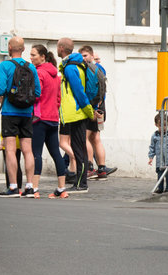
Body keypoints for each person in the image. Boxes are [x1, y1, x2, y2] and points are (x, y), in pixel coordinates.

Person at [0, 36, 41, 197]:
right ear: (23, 49)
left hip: (9, 112)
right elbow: (37, 92)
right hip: (27, 113)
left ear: (9, 48)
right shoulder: (31, 67)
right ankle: (30, 187)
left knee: (10, 150)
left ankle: (14, 186)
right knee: (27, 150)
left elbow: (1, 89)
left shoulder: (5, 65)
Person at [30, 44, 69, 199]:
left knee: (36, 154)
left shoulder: (39, 73)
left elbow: (36, 95)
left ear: (43, 57)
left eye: (33, 55)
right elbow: (59, 99)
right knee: (56, 154)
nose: (31, 58)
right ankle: (61, 189)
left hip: (39, 118)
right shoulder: (56, 75)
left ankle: (34, 188)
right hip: (53, 118)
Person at [57, 37, 94, 193]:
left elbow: (78, 91)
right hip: (75, 113)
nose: (57, 49)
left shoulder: (70, 68)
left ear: (62, 48)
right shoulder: (73, 65)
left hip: (77, 113)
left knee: (79, 150)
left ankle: (81, 184)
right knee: (78, 148)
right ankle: (80, 182)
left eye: (58, 46)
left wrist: (88, 110)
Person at [78, 45, 118, 180]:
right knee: (96, 138)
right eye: (81, 56)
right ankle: (102, 169)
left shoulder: (86, 69)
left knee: (85, 137)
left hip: (92, 107)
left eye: (85, 55)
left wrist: (91, 107)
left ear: (91, 55)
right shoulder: (100, 69)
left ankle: (89, 168)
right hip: (101, 106)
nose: (83, 58)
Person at [148, 113, 168, 194]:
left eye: (165, 125)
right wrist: (151, 157)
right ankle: (160, 188)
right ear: (156, 125)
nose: (163, 127)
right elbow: (152, 147)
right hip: (160, 161)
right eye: (160, 125)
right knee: (160, 175)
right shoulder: (155, 136)